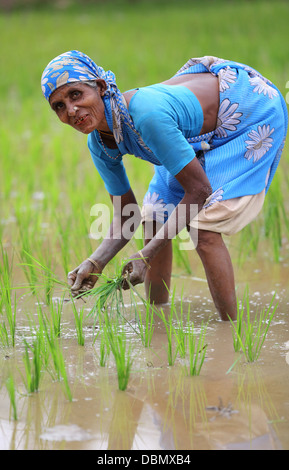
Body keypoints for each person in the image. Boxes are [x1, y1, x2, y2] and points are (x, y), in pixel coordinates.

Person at [41, 50, 288, 321]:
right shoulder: (100, 144)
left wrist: (145, 254)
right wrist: (96, 262)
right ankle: (157, 319)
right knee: (154, 216)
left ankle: (231, 333)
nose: (71, 110)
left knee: (203, 227)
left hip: (247, 108)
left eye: (75, 94)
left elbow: (200, 191)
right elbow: (127, 216)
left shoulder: (146, 116)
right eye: (59, 106)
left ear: (100, 87)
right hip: (195, 129)